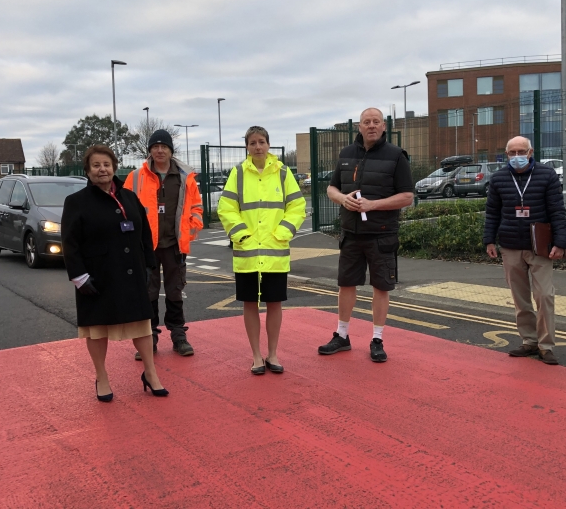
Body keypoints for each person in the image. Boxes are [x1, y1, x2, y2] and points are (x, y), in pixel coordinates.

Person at [61, 144, 168, 401]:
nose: (102, 169)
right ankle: (102, 377)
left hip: (131, 275)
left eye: (106, 164)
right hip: (97, 278)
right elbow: (70, 242)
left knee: (142, 326)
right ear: (87, 170)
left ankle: (150, 374)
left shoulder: (129, 197)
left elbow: (144, 231)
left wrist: (149, 264)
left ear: (114, 167)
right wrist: (79, 277)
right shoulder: (76, 202)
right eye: (96, 165)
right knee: (97, 330)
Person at [319, 108, 413, 363]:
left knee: (381, 287)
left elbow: (407, 196)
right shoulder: (347, 154)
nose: (371, 126)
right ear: (359, 127)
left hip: (382, 235)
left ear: (384, 126)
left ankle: (377, 339)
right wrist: (342, 198)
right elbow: (331, 188)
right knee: (345, 285)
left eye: (376, 122)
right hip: (351, 232)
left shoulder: (396, 156)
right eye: (366, 122)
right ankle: (342, 336)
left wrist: (373, 205)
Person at [218, 126, 305, 374]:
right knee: (249, 304)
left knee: (274, 303)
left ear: (268, 145)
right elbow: (226, 208)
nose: (258, 146)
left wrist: (284, 233)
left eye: (262, 142)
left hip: (274, 250)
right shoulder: (238, 173)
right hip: (246, 251)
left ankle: (273, 353)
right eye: (253, 142)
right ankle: (256, 355)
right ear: (247, 146)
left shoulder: (283, 173)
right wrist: (241, 234)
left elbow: (297, 206)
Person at [484, 136, 566, 365]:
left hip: (539, 246)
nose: (517, 157)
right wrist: (489, 240)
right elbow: (492, 212)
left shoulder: (547, 175)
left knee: (544, 296)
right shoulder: (499, 178)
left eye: (522, 152)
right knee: (520, 299)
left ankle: (546, 345)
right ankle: (529, 341)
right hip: (510, 245)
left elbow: (557, 211)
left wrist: (560, 243)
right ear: (506, 153)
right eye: (512, 153)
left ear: (531, 152)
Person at [124, 129, 204, 360]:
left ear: (171, 150)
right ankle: (150, 338)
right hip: (146, 247)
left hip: (174, 245)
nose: (159, 150)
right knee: (147, 293)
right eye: (155, 146)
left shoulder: (184, 177)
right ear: (149, 150)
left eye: (164, 146)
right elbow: (125, 209)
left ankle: (179, 336)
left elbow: (197, 208)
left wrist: (189, 232)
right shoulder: (136, 176)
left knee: (175, 292)